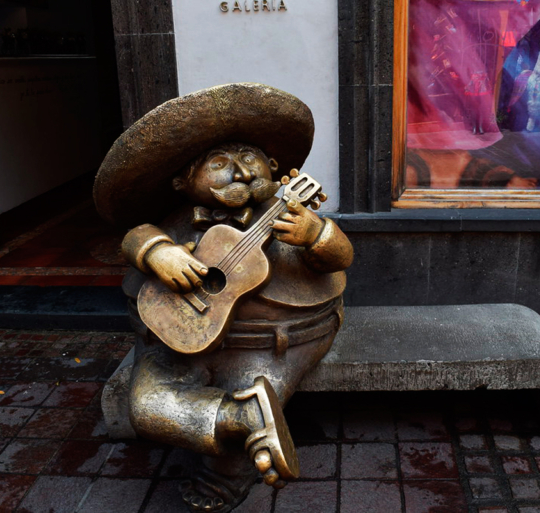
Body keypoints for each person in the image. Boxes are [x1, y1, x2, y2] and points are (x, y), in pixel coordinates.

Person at [94, 83, 353, 512]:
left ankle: (224, 478)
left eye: (250, 158)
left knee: (245, 403)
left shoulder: (290, 212)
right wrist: (158, 252)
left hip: (274, 345)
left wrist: (316, 235)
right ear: (183, 182)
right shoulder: (177, 221)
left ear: (273, 166)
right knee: (148, 406)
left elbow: (341, 257)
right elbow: (135, 236)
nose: (240, 170)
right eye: (218, 163)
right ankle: (243, 419)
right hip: (177, 342)